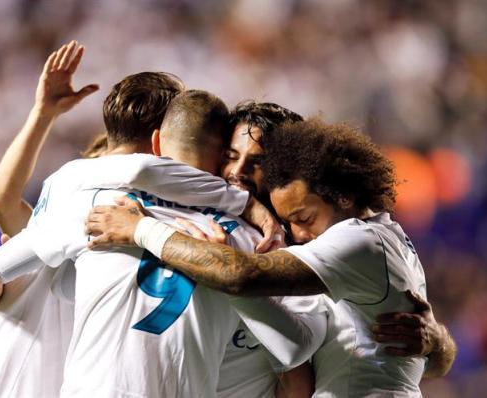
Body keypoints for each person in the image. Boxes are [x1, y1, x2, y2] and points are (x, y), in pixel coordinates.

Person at [84, 117, 458, 396]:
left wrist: (140, 229)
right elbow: (437, 359)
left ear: (342, 197)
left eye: (305, 218)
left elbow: (241, 277)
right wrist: (436, 341)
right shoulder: (389, 240)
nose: (300, 234)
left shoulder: (359, 243)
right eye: (290, 222)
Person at [0, 41, 186, 397]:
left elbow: (1, 204)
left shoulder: (62, 207)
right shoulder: (90, 214)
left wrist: (43, 113)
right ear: (161, 141)